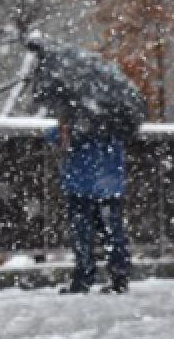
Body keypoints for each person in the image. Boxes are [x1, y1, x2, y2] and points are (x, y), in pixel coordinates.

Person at [50, 119, 133, 294]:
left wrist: (63, 131)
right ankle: (118, 277)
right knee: (111, 233)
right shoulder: (116, 118)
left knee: (83, 234)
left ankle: (85, 276)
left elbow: (56, 138)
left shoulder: (77, 117)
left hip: (82, 184)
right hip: (108, 184)